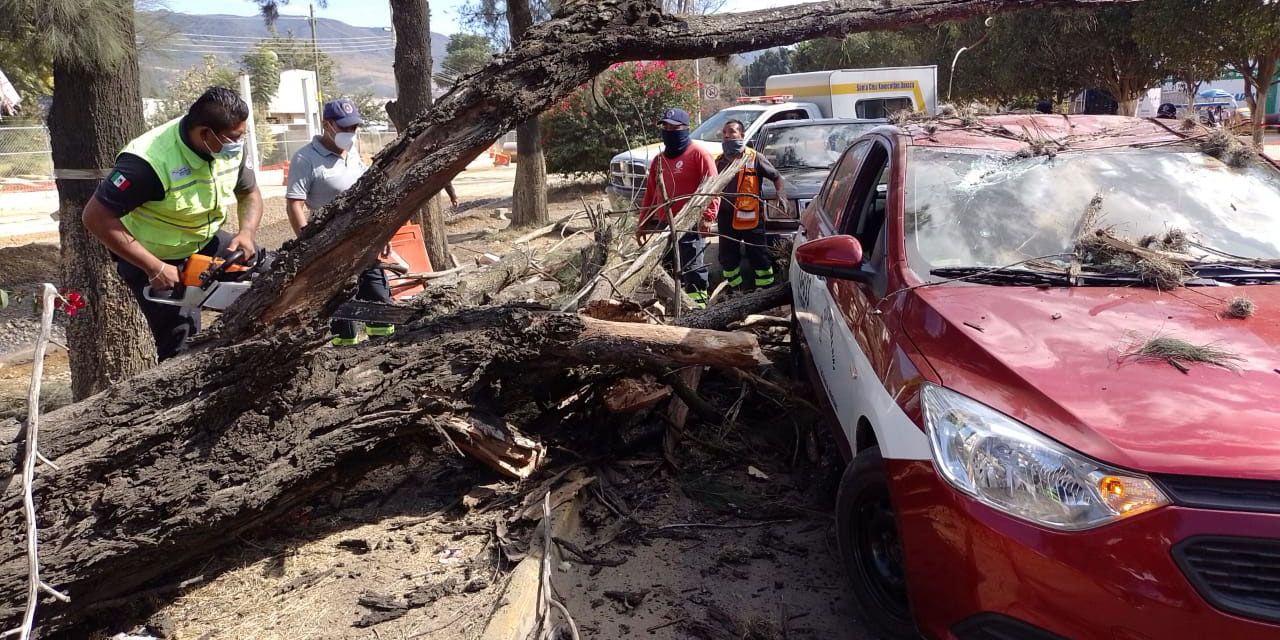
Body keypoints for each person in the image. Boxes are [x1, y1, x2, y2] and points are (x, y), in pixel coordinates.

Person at [83, 86, 263, 361]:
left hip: (205, 241)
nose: (239, 143)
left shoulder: (228, 147)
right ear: (205, 133)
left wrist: (246, 233)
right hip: (154, 257)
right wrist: (154, 267)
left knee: (277, 273)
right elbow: (95, 217)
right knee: (181, 344)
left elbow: (248, 192)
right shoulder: (148, 162)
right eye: (234, 138)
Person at [286, 97, 396, 345]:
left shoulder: (354, 153)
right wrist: (308, 244)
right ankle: (344, 359)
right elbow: (294, 203)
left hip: (366, 243)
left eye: (354, 128)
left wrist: (382, 233)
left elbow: (369, 194)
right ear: (327, 124)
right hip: (330, 247)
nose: (350, 133)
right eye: (344, 128)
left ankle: (384, 352)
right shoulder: (306, 158)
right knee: (342, 312)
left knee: (381, 307)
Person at [638, 107, 717, 307]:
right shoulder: (659, 160)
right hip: (665, 224)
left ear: (684, 128)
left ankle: (699, 309)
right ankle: (673, 307)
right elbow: (650, 193)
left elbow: (713, 187)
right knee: (667, 269)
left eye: (673, 127)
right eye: (665, 127)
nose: (668, 131)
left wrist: (708, 217)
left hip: (689, 224)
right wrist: (643, 223)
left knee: (692, 268)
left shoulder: (699, 155)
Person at [716, 120, 785, 293]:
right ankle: (735, 291)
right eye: (724, 132)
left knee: (759, 254)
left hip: (751, 217)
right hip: (726, 217)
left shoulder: (754, 157)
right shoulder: (719, 161)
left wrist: (780, 195)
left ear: (742, 135)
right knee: (727, 257)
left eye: (731, 131)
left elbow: (777, 177)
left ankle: (765, 290)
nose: (726, 135)